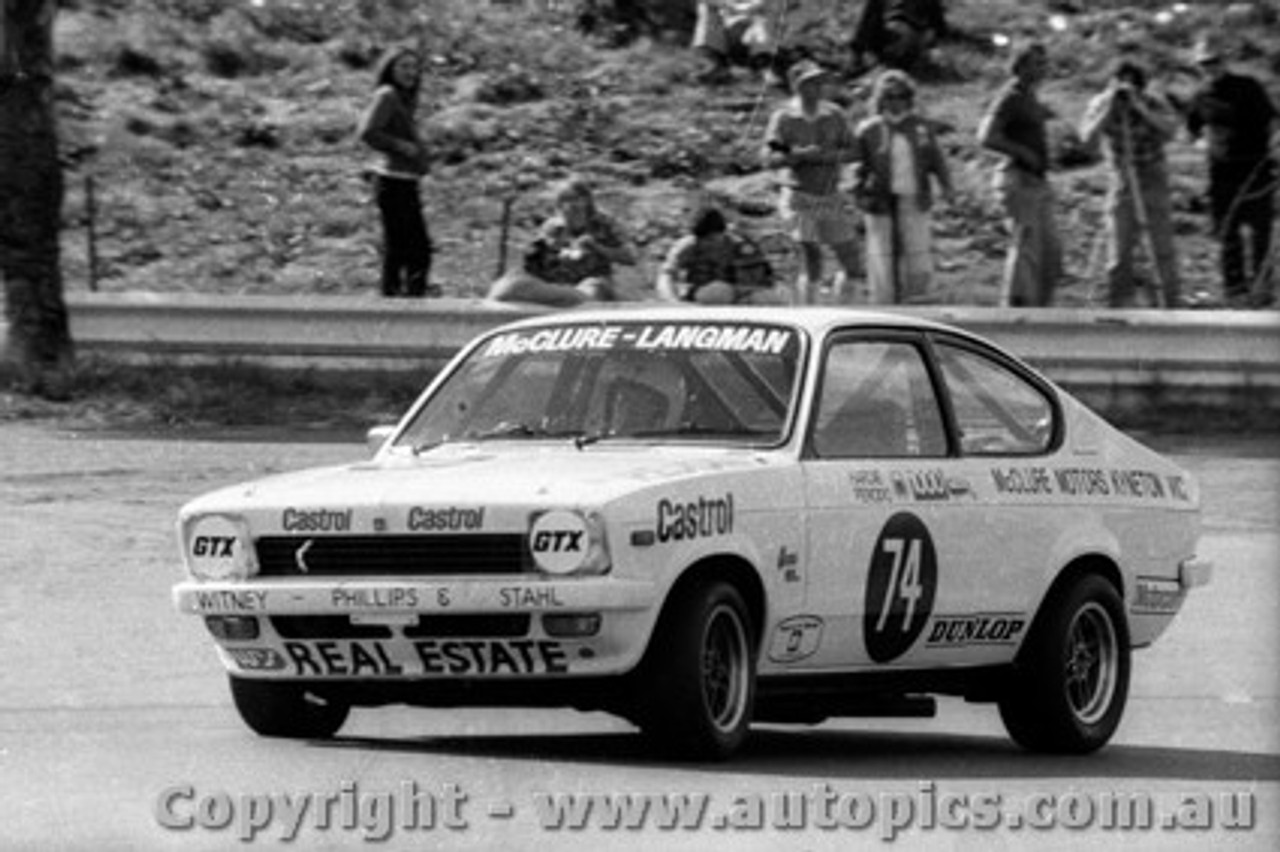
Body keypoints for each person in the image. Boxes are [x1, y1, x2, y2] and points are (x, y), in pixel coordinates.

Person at [1184, 36, 1278, 308]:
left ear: (1224, 60)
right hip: (1221, 175)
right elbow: (1192, 129)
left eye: (1214, 61)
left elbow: (1272, 121)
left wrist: (1273, 149)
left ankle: (1263, 288)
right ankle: (1235, 290)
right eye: (1204, 63)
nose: (1210, 67)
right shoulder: (1201, 94)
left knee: (1261, 233)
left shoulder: (1248, 86)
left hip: (1256, 170)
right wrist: (1202, 142)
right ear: (1199, 66)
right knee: (1227, 234)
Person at [1079, 58, 1181, 308]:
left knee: (1161, 248)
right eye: (1120, 83)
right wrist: (1109, 109)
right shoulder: (1101, 103)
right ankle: (1119, 306)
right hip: (1121, 179)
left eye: (1131, 84)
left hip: (1152, 176)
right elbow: (1088, 140)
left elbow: (1171, 131)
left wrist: (1140, 107)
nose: (1125, 88)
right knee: (1119, 249)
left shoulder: (1153, 102)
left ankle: (1168, 305)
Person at [762, 59, 861, 304]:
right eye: (809, 82)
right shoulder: (784, 118)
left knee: (848, 254)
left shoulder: (835, 114)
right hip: (799, 193)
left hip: (829, 192)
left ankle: (844, 307)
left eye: (819, 82)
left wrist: (827, 156)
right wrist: (798, 156)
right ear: (796, 85)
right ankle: (809, 307)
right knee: (810, 251)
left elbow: (854, 151)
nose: (817, 87)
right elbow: (770, 158)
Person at [852, 70, 953, 304]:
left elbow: (935, 158)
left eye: (901, 95)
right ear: (881, 99)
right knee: (882, 257)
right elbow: (858, 165)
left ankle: (917, 301)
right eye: (890, 96)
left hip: (914, 197)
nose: (896, 101)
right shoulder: (870, 129)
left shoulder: (921, 127)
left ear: (909, 98)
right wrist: (858, 194)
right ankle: (883, 305)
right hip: (881, 201)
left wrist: (946, 185)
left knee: (917, 255)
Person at [977, 41, 1061, 307]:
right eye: (1037, 63)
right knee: (1026, 248)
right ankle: (1017, 310)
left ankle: (1041, 310)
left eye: (1044, 62)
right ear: (1021, 66)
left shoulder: (1029, 96)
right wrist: (1022, 152)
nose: (1043, 68)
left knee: (1050, 252)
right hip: (1018, 178)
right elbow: (986, 136)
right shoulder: (1010, 96)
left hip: (1037, 181)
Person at [357, 46, 438, 298]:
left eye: (414, 67)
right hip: (393, 182)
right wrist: (402, 146)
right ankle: (404, 306)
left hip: (406, 181)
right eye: (403, 66)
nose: (410, 72)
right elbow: (368, 131)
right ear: (390, 69)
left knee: (403, 249)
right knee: (415, 250)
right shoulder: (387, 95)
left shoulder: (404, 99)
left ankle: (397, 302)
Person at [487, 177, 636, 307]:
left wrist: (597, 247)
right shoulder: (552, 227)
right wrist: (548, 252)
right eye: (565, 200)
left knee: (593, 288)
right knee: (512, 283)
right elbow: (534, 263)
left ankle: (578, 302)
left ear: (587, 201)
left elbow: (630, 257)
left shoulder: (604, 223)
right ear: (558, 204)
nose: (571, 206)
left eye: (577, 199)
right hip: (556, 284)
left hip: (593, 283)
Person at [656, 207, 787, 304]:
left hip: (741, 295)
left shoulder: (742, 246)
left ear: (723, 233)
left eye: (711, 239)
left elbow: (765, 279)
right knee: (720, 292)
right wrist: (674, 302)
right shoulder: (687, 246)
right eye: (702, 239)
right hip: (703, 296)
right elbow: (666, 276)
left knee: (768, 299)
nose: (706, 244)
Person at [692, 1, 782, 85]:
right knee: (705, 6)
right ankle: (716, 64)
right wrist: (730, 5)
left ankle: (767, 68)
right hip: (729, 33)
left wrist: (746, 8)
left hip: (756, 31)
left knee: (762, 22)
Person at [850, 0, 948, 74]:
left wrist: (858, 51)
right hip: (911, 42)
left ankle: (861, 60)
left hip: (897, 39)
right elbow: (940, 28)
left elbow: (866, 25)